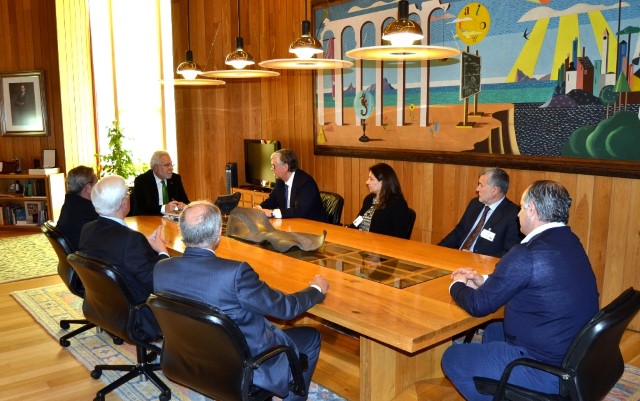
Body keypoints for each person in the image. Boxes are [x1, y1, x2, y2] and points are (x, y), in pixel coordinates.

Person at [441, 180, 599, 400]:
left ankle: (504, 387)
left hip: (545, 367)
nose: (517, 215)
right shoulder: (570, 241)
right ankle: (499, 388)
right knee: (494, 330)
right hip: (574, 354)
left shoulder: (526, 253)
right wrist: (483, 280)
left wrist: (456, 284)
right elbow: (528, 280)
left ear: (532, 209)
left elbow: (478, 306)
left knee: (452, 358)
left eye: (522, 208)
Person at [154, 201, 329, 400]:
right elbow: (285, 309)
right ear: (219, 232)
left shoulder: (161, 269)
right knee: (311, 337)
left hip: (189, 359)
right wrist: (316, 290)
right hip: (243, 366)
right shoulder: (235, 273)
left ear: (183, 231)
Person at [79, 175, 169, 340]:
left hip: (103, 307)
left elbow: (116, 252)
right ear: (123, 202)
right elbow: (157, 282)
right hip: (138, 315)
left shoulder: (88, 229)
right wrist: (162, 252)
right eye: (128, 193)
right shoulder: (130, 240)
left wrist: (144, 245)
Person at [438, 167, 521, 257]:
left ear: (494, 190)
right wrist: (438, 250)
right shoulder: (475, 203)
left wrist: (476, 258)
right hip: (458, 257)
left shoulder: (513, 214)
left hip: (482, 266)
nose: (477, 189)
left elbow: (509, 253)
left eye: (481, 185)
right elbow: (458, 232)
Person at [255, 149, 327, 222]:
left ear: (285, 167)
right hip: (290, 223)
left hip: (312, 225)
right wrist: (259, 208)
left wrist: (272, 213)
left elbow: (299, 211)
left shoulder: (306, 183)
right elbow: (272, 200)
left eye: (274, 166)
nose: (271, 169)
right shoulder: (281, 181)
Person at [350, 162, 411, 238]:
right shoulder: (369, 199)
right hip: (362, 242)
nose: (367, 182)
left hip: (380, 247)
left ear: (383, 182)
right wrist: (349, 230)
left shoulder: (397, 204)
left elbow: (399, 235)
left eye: (371, 179)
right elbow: (358, 220)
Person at [131, 150, 189, 216]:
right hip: (151, 221)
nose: (171, 168)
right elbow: (140, 209)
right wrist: (164, 208)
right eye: (167, 165)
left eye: (171, 164)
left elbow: (186, 201)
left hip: (172, 219)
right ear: (156, 167)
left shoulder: (175, 179)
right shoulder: (142, 181)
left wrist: (183, 205)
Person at [55, 165, 99, 250]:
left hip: (74, 254)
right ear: (88, 187)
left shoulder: (71, 203)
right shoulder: (87, 213)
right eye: (97, 183)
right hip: (85, 258)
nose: (99, 187)